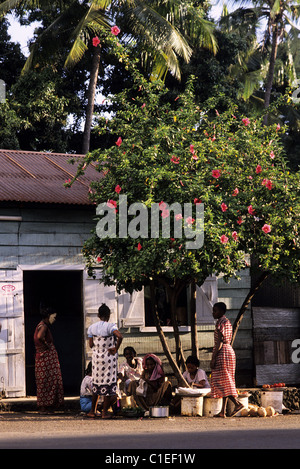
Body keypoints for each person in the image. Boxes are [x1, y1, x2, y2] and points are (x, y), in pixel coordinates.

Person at [87, 303, 123, 419]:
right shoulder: (110, 326)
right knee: (108, 384)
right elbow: (120, 336)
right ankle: (104, 412)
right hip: (108, 359)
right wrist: (115, 348)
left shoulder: (92, 328)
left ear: (98, 315)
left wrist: (98, 349)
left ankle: (92, 411)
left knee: (96, 384)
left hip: (97, 360)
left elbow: (91, 344)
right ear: (108, 315)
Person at [210, 302, 243, 418]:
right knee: (225, 380)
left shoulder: (220, 323)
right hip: (229, 351)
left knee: (222, 381)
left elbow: (219, 342)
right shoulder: (227, 322)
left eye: (216, 311)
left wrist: (213, 358)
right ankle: (222, 411)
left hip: (222, 352)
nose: (213, 313)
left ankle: (237, 404)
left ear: (222, 312)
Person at [33, 306, 64, 414]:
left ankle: (44, 407)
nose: (54, 319)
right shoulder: (44, 326)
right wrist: (47, 346)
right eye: (53, 317)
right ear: (48, 316)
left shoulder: (39, 325)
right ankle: (46, 406)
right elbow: (40, 336)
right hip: (46, 359)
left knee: (43, 382)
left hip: (42, 359)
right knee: (50, 381)